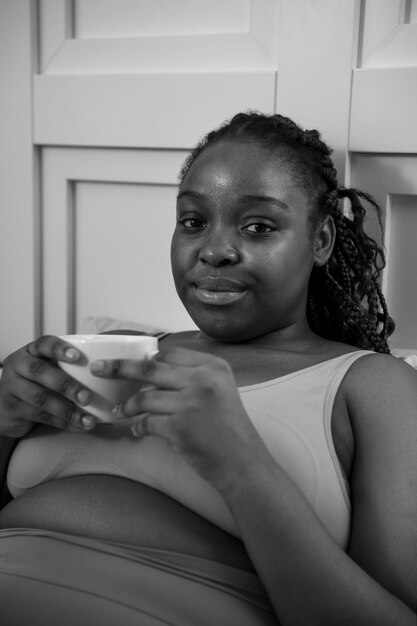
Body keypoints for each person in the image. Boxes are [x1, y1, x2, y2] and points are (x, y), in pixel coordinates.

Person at [0, 112, 416, 626]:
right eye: (193, 222)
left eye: (259, 226)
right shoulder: (112, 352)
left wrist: (241, 466)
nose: (214, 251)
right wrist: (6, 418)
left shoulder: (373, 388)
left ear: (322, 241)